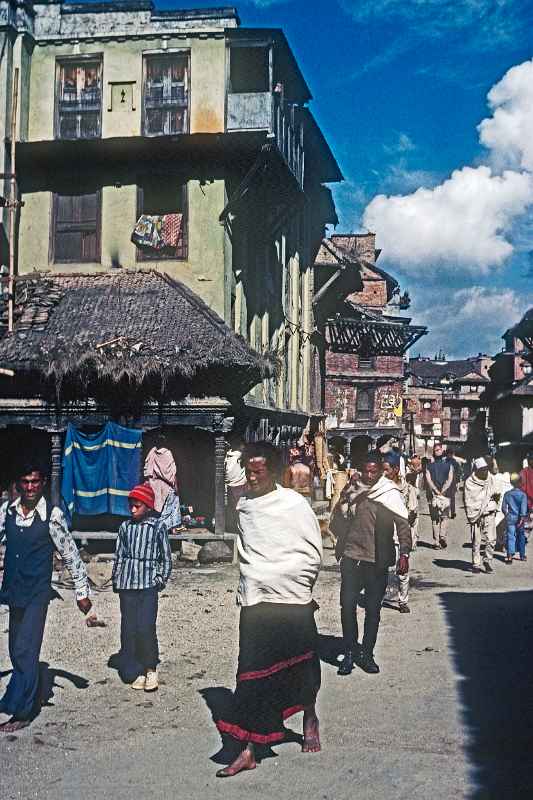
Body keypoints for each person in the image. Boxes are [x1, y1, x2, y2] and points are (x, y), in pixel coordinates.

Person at [215, 442, 323, 778]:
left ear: (273, 472)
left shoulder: (293, 504)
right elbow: (231, 471)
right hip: (256, 598)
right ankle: (249, 749)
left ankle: (309, 716)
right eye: (249, 471)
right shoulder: (245, 506)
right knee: (252, 673)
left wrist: (292, 579)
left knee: (302, 664)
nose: (252, 477)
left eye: (258, 472)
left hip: (292, 598)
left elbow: (312, 551)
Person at [0, 463, 92, 733]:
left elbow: (70, 553)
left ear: (42, 484)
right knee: (15, 647)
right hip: (14, 590)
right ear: (19, 484)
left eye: (35, 482)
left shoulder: (52, 516)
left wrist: (82, 592)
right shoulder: (7, 512)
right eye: (25, 481)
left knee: (26, 649)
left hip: (37, 592)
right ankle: (23, 694)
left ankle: (24, 711)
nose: (30, 487)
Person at [332, 451, 411, 675]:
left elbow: (403, 524)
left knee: (373, 610)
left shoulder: (389, 493)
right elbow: (338, 515)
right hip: (351, 557)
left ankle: (367, 654)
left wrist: (404, 553)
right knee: (347, 606)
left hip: (377, 560)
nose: (369, 475)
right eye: (366, 471)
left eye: (373, 471)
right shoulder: (353, 489)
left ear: (380, 472)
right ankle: (349, 653)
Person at [112, 483, 172, 692]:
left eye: (137, 506)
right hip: (127, 586)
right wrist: (117, 579)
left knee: (145, 627)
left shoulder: (157, 527)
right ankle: (137, 668)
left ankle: (150, 668)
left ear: (147, 506)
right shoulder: (125, 527)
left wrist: (160, 579)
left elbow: (166, 557)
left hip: (148, 586)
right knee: (129, 629)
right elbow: (119, 555)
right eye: (131, 505)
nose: (133, 509)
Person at [464, 457, 498, 574]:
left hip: (489, 513)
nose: (485, 472)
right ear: (477, 470)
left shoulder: (491, 479)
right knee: (476, 541)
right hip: (476, 515)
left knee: (491, 539)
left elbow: (496, 493)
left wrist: (492, 504)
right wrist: (476, 511)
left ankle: (487, 560)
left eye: (486, 469)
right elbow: (468, 500)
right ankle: (476, 564)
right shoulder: (469, 482)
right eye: (482, 469)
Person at [143, 434, 181, 531]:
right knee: (172, 503)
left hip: (153, 484)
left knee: (155, 506)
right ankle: (167, 527)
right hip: (166, 485)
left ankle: (155, 526)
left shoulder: (152, 452)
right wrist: (176, 486)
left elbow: (147, 470)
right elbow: (171, 473)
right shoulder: (167, 453)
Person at [425, 443, 453, 549]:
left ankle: (436, 542)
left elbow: (428, 480)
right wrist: (443, 490)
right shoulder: (449, 465)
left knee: (435, 518)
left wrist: (436, 491)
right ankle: (442, 537)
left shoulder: (429, 466)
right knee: (445, 517)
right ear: (442, 451)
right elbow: (449, 479)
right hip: (445, 495)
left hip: (433, 495)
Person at [502, 474, 528, 564]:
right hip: (520, 518)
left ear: (511, 482)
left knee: (510, 536)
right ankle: (522, 555)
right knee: (521, 536)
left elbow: (503, 508)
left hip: (510, 517)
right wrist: (522, 518)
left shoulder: (507, 494)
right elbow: (523, 509)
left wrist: (507, 514)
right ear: (520, 482)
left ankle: (509, 556)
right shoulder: (523, 495)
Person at [224, 435, 247, 534]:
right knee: (240, 510)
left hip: (231, 486)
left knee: (234, 509)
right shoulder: (240, 455)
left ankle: (236, 528)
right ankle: (240, 529)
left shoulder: (228, 455)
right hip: (240, 485)